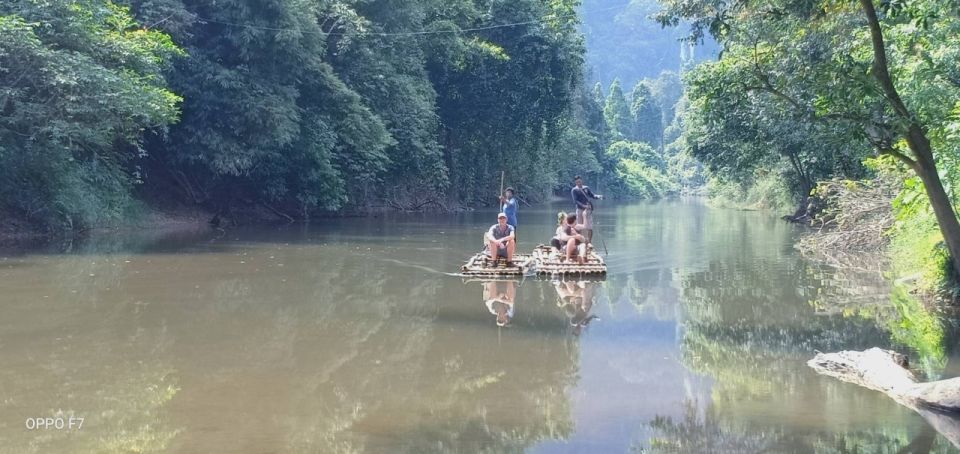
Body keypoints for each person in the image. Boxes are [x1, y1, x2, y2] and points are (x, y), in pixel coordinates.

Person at [570, 175, 602, 244]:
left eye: (579, 181)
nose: (579, 183)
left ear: (582, 180)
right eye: (577, 182)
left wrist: (599, 196)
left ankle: (590, 243)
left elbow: (592, 195)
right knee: (579, 226)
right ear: (575, 182)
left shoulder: (586, 188)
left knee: (589, 227)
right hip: (579, 210)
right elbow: (575, 201)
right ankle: (579, 242)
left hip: (588, 210)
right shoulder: (574, 190)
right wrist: (584, 206)